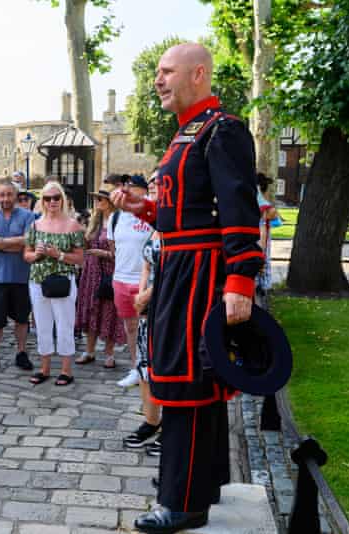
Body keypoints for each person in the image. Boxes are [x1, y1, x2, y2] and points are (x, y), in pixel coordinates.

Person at [113, 43, 263, 532]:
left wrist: (240, 278)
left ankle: (180, 501)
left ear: (198, 74)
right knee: (181, 374)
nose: (157, 80)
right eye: (156, 72)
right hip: (179, 265)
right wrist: (145, 209)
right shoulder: (186, 134)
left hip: (200, 271)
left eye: (166, 71)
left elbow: (239, 209)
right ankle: (204, 485)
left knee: (186, 381)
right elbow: (186, 211)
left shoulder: (223, 130)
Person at [23, 181, 85, 386]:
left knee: (65, 324)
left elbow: (80, 259)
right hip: (38, 280)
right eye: (48, 198)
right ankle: (45, 368)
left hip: (62, 281)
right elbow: (26, 255)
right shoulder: (35, 224)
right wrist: (37, 254)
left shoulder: (73, 225)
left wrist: (57, 254)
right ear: (42, 201)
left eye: (56, 198)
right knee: (42, 324)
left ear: (63, 200)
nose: (52, 202)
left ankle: (66, 370)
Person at [0, 182, 36, 373]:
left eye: (9, 195)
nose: (5, 199)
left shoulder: (28, 216)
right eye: (2, 195)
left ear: (16, 196)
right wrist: (15, 242)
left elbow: (29, 240)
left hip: (21, 275)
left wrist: (0, 242)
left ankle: (21, 353)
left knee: (22, 318)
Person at [122, 231, 163, 456]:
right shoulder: (154, 229)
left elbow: (173, 271)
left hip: (168, 305)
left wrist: (146, 296)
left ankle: (172, 428)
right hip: (148, 308)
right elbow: (146, 266)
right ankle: (152, 421)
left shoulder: (177, 227)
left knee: (164, 368)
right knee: (145, 367)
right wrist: (141, 296)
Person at [75, 185, 125, 368]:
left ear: (110, 202)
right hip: (91, 273)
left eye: (100, 199)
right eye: (96, 199)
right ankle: (89, 350)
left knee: (109, 311)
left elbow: (122, 252)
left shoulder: (118, 222)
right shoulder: (93, 221)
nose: (97, 202)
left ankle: (109, 354)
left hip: (109, 272)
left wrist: (103, 254)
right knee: (91, 309)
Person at [110, 175, 153, 388]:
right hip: (121, 278)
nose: (128, 192)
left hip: (144, 280)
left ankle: (150, 367)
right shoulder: (116, 218)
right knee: (130, 326)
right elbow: (113, 248)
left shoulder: (151, 216)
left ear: (144, 192)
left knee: (147, 326)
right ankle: (136, 366)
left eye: (134, 188)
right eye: (127, 188)